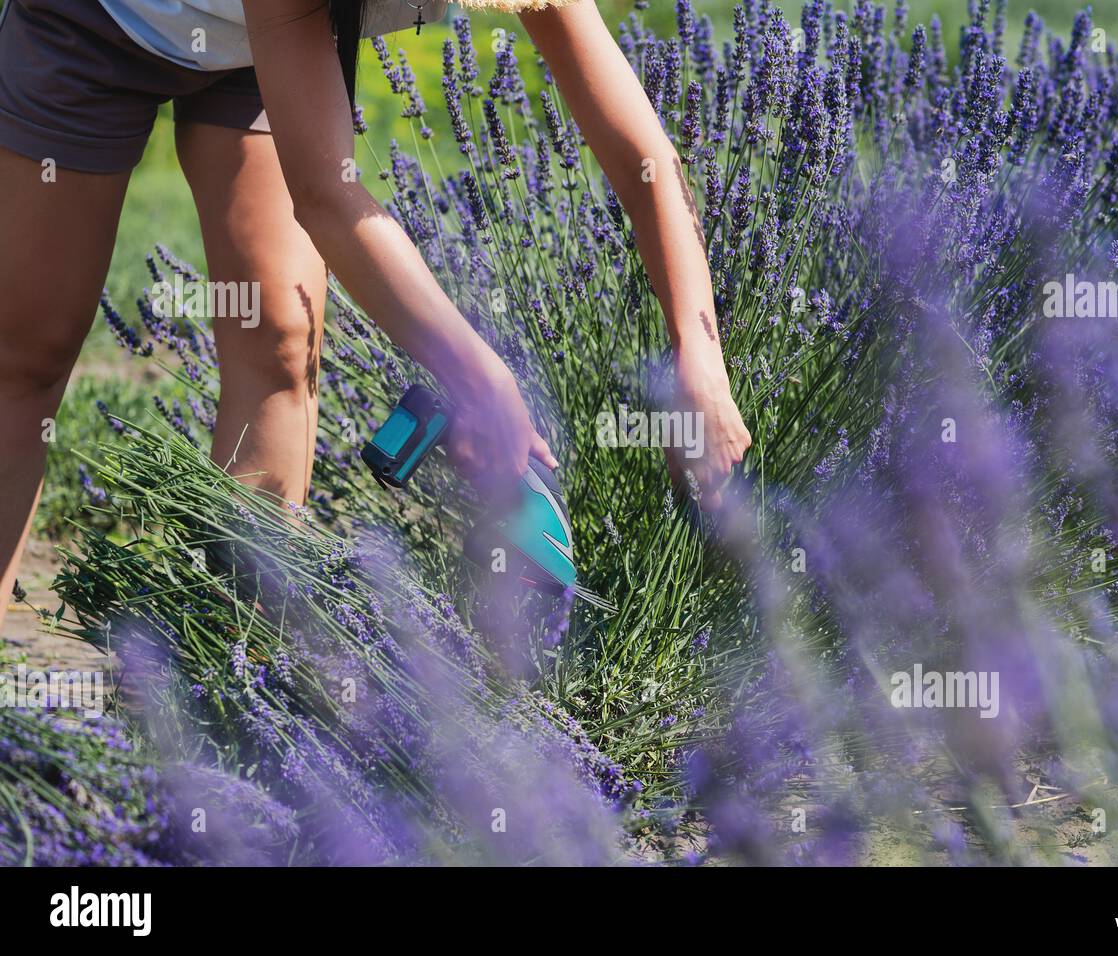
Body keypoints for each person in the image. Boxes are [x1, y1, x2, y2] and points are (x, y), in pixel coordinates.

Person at [0, 0, 751, 634]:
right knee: (26, 353)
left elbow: (643, 158)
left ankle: (240, 665)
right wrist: (480, 375)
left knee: (283, 339)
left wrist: (700, 354)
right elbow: (326, 197)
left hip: (270, 40)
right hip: (100, 20)